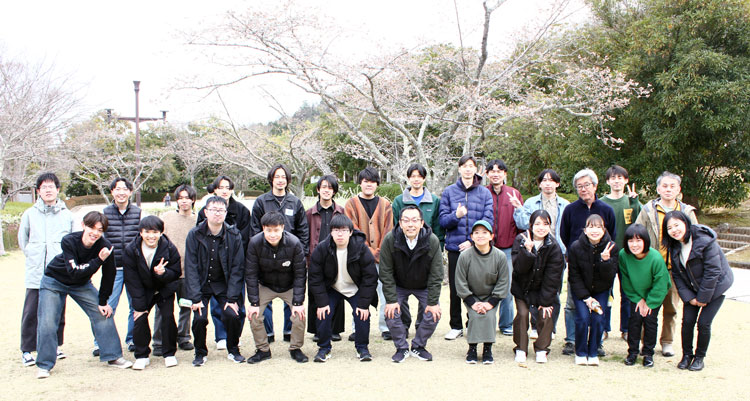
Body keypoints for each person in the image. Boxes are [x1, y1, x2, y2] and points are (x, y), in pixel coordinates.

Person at [35, 211, 133, 379]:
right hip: (54, 281)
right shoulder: (69, 241)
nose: (95, 233)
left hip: (81, 284)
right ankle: (44, 365)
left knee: (103, 314)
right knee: (48, 322)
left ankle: (113, 356)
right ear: (83, 226)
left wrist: (103, 301)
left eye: (100, 230)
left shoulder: (106, 247)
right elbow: (73, 271)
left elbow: (109, 275)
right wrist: (98, 260)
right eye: (91, 228)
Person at [635, 171, 698, 357]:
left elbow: (696, 237)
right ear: (658, 189)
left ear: (679, 189)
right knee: (649, 307)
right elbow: (638, 233)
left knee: (671, 308)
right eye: (664, 186)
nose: (668, 189)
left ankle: (667, 342)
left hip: (676, 269)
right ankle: (646, 342)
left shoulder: (686, 212)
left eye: (672, 186)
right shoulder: (648, 210)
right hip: (653, 268)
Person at [663, 211, 734, 371]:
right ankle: (687, 355)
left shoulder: (704, 240)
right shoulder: (674, 246)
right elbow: (677, 274)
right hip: (693, 289)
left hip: (716, 286)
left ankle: (699, 357)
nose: (674, 230)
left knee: (703, 323)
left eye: (677, 225)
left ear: (686, 223)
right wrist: (690, 298)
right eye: (669, 228)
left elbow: (713, 271)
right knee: (687, 321)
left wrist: (702, 298)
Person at [559, 168, 616, 356]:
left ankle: (597, 342)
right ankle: (571, 340)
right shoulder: (570, 210)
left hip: (601, 264)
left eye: (586, 185)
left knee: (601, 304)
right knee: (572, 304)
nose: (583, 189)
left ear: (595, 186)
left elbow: (612, 235)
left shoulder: (606, 210)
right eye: (579, 186)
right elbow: (564, 234)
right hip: (577, 263)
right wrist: (575, 252)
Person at [18, 173, 73, 367]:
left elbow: (73, 241)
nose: (48, 190)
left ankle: (55, 345)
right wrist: (33, 254)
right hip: (36, 270)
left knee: (58, 310)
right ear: (38, 191)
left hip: (59, 272)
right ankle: (27, 350)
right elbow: (23, 240)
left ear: (58, 189)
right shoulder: (29, 214)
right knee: (31, 311)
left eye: (51, 186)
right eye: (44, 187)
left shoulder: (67, 215)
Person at [250, 164, 309, 343]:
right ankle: (267, 333)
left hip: (291, 256)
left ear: (288, 180)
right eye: (277, 176)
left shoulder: (295, 202)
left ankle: (289, 331)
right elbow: (255, 229)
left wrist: (301, 253)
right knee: (264, 296)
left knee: (290, 296)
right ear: (271, 179)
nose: (280, 180)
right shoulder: (261, 201)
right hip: (266, 257)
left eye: (284, 177)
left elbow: (303, 230)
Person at [184, 196, 246, 366]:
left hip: (223, 284)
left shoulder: (234, 235)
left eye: (221, 210)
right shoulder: (194, 234)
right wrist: (195, 298)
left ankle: (233, 350)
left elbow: (237, 268)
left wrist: (232, 298)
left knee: (232, 315)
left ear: (226, 213)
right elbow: (190, 267)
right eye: (213, 210)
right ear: (206, 212)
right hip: (202, 284)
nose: (217, 214)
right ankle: (200, 352)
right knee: (199, 318)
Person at [309, 215, 378, 362]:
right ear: (331, 232)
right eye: (336, 230)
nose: (340, 234)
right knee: (324, 312)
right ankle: (324, 348)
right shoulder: (322, 249)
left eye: (344, 230)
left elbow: (370, 277)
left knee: (362, 313)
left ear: (351, 232)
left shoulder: (361, 248)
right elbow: (315, 278)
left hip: (355, 288)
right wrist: (322, 302)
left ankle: (362, 348)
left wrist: (364, 304)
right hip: (332, 287)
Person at [439, 155, 493, 340]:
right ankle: (455, 325)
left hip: (478, 248)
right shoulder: (449, 192)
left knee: (476, 287)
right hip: (455, 248)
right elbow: (443, 221)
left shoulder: (484, 193)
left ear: (476, 169)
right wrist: (457, 215)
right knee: (455, 288)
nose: (468, 169)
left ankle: (473, 322)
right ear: (459, 169)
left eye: (471, 166)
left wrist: (472, 241)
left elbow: (488, 220)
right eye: (464, 166)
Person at [379, 206, 443, 362]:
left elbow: (436, 274)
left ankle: (418, 346)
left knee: (433, 313)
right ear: (400, 223)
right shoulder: (390, 239)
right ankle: (401, 347)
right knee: (390, 312)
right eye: (406, 220)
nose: (410, 224)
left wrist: (433, 302)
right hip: (399, 284)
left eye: (415, 220)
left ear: (421, 223)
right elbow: (385, 272)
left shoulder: (432, 240)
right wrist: (391, 300)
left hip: (423, 285)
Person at [512, 168, 569, 340]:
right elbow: (523, 224)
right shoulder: (531, 203)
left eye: (551, 180)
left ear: (557, 184)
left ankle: (549, 326)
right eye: (544, 180)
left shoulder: (565, 204)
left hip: (556, 252)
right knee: (532, 290)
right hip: (534, 251)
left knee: (553, 291)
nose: (548, 183)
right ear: (539, 184)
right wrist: (519, 208)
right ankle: (535, 326)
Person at [245, 212, 309, 364]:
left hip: (289, 285)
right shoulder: (254, 243)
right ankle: (263, 350)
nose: (272, 234)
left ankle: (295, 348)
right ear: (263, 228)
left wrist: (298, 302)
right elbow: (251, 274)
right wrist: (254, 303)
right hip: (265, 284)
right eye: (268, 230)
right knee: (254, 315)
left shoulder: (294, 243)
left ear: (283, 228)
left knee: (299, 315)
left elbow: (300, 274)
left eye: (276, 230)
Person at [196, 175, 250, 351]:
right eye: (221, 187)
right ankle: (221, 336)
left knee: (237, 303)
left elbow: (244, 237)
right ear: (215, 190)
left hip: (235, 262)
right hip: (212, 265)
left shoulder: (242, 211)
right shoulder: (204, 211)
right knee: (217, 306)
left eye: (228, 187)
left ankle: (235, 336)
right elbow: (199, 236)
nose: (224, 191)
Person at [123, 216, 182, 370]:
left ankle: (169, 353)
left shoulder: (169, 248)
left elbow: (175, 273)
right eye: (147, 232)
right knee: (140, 317)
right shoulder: (131, 250)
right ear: (141, 232)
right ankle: (142, 355)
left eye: (155, 232)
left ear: (161, 233)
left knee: (168, 317)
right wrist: (139, 304)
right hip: (142, 289)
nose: (151, 236)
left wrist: (163, 273)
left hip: (164, 288)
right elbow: (131, 278)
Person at [391, 163, 444, 333]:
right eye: (413, 176)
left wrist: (438, 249)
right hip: (403, 251)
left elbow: (438, 228)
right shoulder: (399, 201)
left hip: (427, 252)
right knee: (401, 288)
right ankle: (404, 323)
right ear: (408, 178)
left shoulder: (434, 201)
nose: (416, 179)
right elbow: (395, 227)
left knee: (425, 287)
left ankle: (422, 323)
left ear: (424, 178)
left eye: (419, 176)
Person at [345, 166, 393, 340]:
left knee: (385, 293)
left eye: (373, 181)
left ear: (377, 184)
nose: (369, 184)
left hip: (383, 258)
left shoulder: (385, 205)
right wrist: (368, 252)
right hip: (359, 258)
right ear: (360, 183)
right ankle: (357, 328)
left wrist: (379, 252)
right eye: (366, 181)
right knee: (359, 294)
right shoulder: (351, 204)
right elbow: (352, 230)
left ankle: (386, 327)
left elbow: (389, 231)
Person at [511, 210, 565, 364]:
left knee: (546, 314)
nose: (541, 227)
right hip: (522, 288)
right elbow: (519, 269)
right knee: (522, 314)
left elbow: (553, 277)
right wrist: (527, 251)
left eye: (545, 224)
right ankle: (521, 348)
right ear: (531, 225)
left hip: (542, 289)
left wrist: (546, 301)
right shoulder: (521, 239)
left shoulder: (553, 246)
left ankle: (542, 348)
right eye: (537, 224)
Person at [455, 220, 509, 364]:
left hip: (491, 296)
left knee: (489, 316)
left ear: (491, 236)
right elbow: (460, 281)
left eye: (485, 232)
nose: (480, 236)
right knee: (475, 315)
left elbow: (503, 282)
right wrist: (472, 302)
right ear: (471, 237)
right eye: (477, 233)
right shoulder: (465, 256)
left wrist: (490, 303)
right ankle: (472, 348)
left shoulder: (500, 256)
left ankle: (487, 348)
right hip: (472, 296)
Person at [567, 214, 618, 366]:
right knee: (582, 318)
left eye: (598, 227)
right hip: (581, 290)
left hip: (601, 290)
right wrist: (586, 297)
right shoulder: (576, 247)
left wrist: (605, 261)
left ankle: (593, 351)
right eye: (591, 227)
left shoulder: (612, 247)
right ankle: (581, 352)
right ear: (585, 230)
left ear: (604, 230)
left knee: (598, 318)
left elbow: (610, 277)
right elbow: (573, 276)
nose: (594, 230)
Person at [152, 184, 198, 354]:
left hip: (188, 272)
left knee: (186, 307)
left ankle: (183, 337)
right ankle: (159, 341)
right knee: (162, 308)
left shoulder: (197, 220)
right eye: (180, 198)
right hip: (167, 272)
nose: (183, 201)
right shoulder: (167, 218)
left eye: (187, 198)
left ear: (193, 200)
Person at [99, 177, 141, 355]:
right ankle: (101, 342)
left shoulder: (138, 213)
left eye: (125, 189)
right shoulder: (105, 213)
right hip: (113, 268)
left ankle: (132, 339)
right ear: (112, 192)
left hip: (133, 268)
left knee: (135, 305)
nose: (121, 192)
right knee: (108, 305)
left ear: (130, 192)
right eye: (117, 189)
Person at [619, 224, 671, 368]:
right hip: (636, 293)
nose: (634, 244)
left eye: (638, 240)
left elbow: (661, 283)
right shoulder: (623, 255)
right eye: (630, 241)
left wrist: (649, 302)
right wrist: (638, 299)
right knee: (634, 320)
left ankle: (648, 353)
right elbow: (625, 278)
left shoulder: (655, 257)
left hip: (654, 293)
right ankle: (632, 352)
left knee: (650, 320)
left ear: (645, 241)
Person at [600, 165, 642, 341]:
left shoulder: (632, 201)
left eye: (620, 178)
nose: (616, 181)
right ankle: (603, 328)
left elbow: (640, 224)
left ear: (626, 180)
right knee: (605, 292)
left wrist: (635, 203)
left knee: (628, 294)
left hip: (628, 255)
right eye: (613, 178)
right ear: (607, 181)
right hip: (607, 254)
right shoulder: (601, 203)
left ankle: (626, 329)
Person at [306, 175, 346, 342]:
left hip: (337, 257)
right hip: (315, 259)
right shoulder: (309, 213)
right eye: (323, 187)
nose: (326, 190)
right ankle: (317, 330)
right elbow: (305, 236)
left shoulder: (341, 211)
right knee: (315, 293)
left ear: (334, 191)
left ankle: (335, 330)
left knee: (338, 292)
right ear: (318, 189)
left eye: (330, 188)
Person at [485, 159, 522, 336]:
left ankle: (506, 324)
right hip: (486, 248)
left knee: (506, 288)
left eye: (499, 171)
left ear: (505, 174)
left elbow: (522, 224)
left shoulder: (514, 194)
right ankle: (484, 321)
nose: (496, 174)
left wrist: (519, 207)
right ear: (487, 174)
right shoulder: (483, 193)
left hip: (508, 248)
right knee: (484, 287)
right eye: (492, 171)